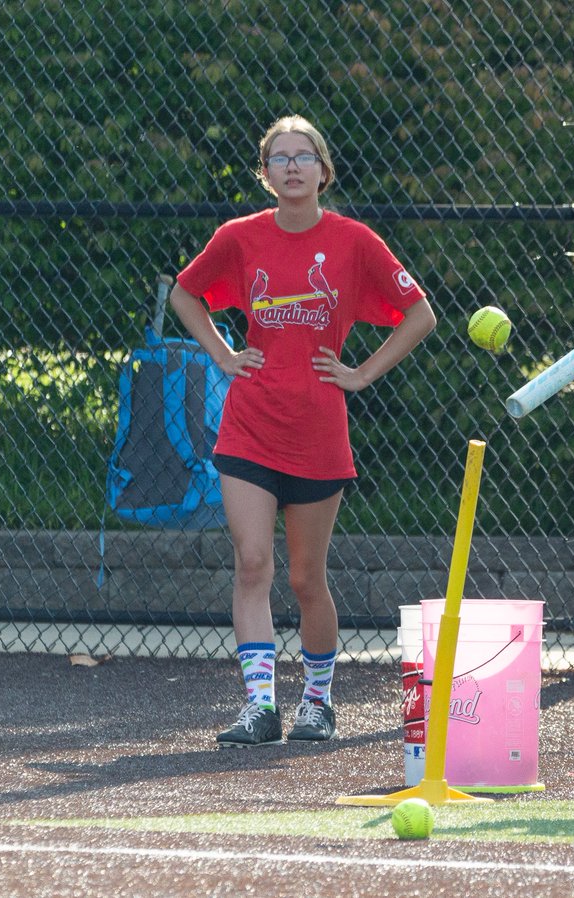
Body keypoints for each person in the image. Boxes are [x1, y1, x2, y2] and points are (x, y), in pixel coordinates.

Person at [170, 115, 437, 747]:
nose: (292, 166)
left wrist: (363, 373)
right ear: (265, 175)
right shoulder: (238, 237)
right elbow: (186, 294)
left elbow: (419, 313)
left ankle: (317, 702)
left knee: (304, 578)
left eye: (304, 156)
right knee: (253, 563)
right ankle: (259, 706)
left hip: (318, 428)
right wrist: (222, 355)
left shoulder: (353, 241)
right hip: (249, 426)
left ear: (323, 169)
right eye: (279, 158)